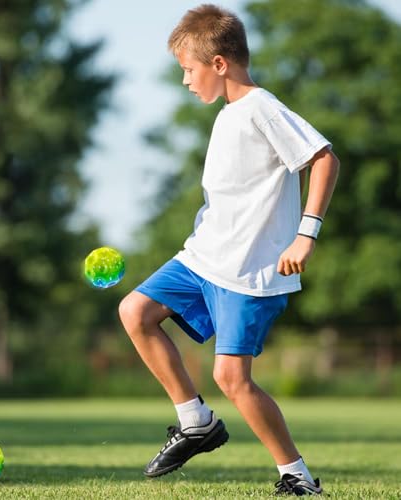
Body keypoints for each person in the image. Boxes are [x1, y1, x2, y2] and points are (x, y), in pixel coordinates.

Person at [118, 4, 339, 496]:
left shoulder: (262, 107)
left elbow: (324, 159)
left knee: (232, 378)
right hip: (203, 258)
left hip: (250, 271)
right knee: (135, 310)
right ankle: (195, 421)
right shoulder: (227, 114)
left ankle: (297, 476)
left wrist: (306, 234)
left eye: (188, 69)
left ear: (219, 63)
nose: (184, 81)